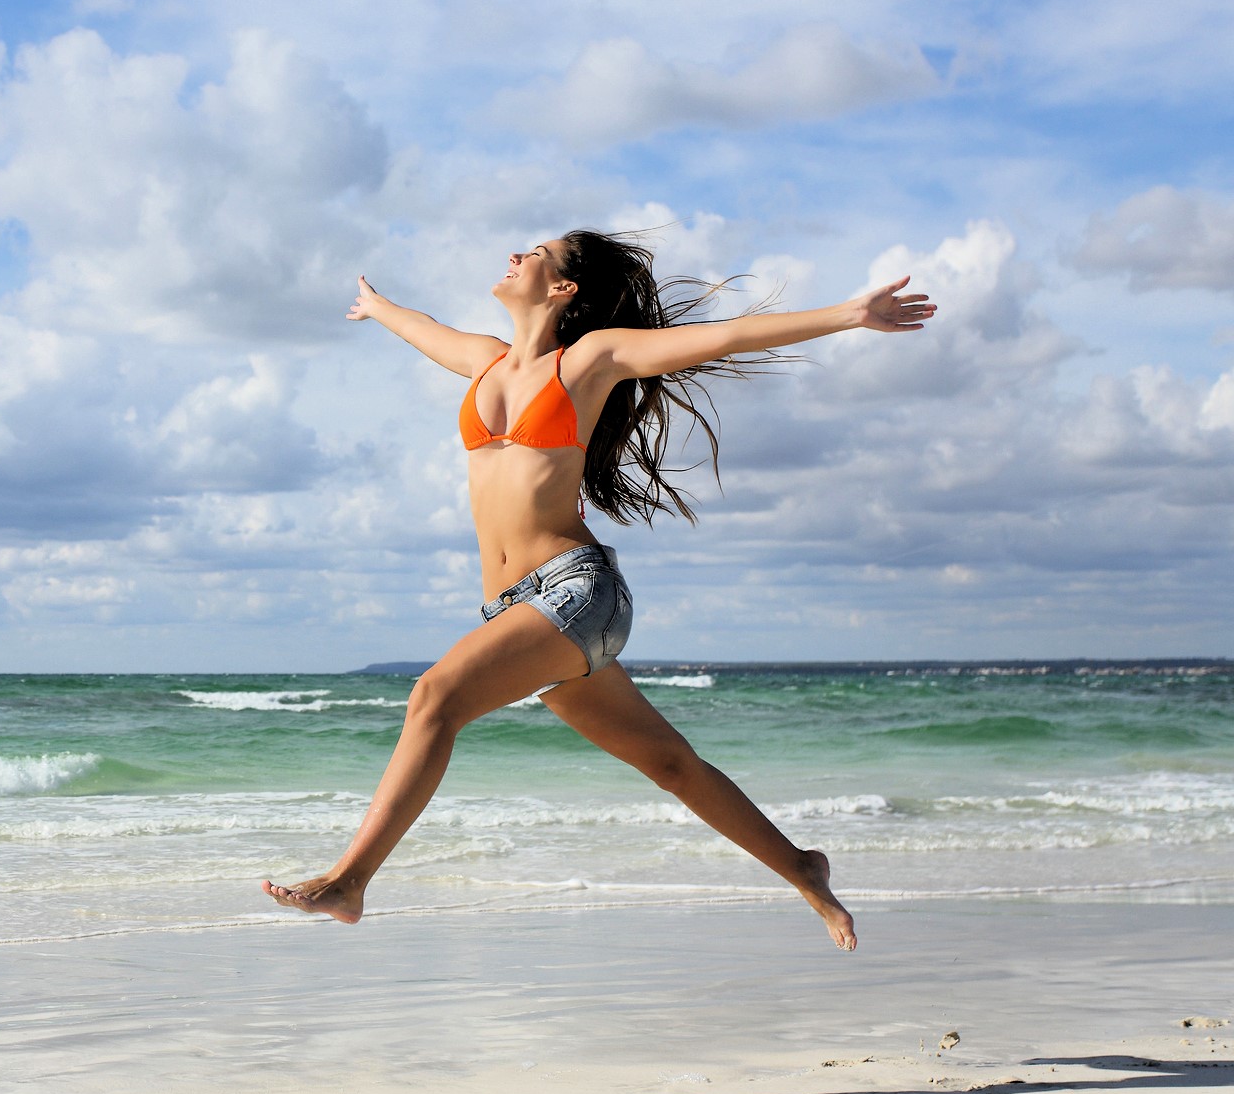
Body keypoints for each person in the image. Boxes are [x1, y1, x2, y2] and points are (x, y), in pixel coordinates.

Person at [262, 229, 936, 950]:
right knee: (670, 764)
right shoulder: (485, 361)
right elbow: (426, 331)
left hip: (577, 593)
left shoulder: (588, 360)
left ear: (562, 289)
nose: (515, 254)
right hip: (521, 608)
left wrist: (847, 313)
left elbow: (725, 336)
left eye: (537, 253)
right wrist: (378, 305)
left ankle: (351, 880)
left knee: (434, 696)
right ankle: (804, 867)